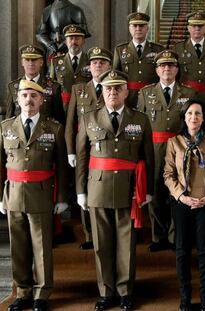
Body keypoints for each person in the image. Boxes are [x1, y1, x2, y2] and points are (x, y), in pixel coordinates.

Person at [75, 69, 154, 311]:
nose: (113, 92)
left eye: (118, 88)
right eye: (109, 88)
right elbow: (81, 157)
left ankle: (125, 291)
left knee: (126, 244)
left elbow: (148, 158)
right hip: (97, 188)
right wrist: (80, 191)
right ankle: (105, 291)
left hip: (128, 189)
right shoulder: (89, 117)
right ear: (103, 91)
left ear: (126, 91)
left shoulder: (140, 119)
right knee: (101, 244)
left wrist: (147, 190)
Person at [0, 80, 68, 311]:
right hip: (14, 194)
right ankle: (23, 292)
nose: (29, 100)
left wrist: (62, 198)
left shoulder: (54, 128)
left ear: (41, 100)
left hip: (42, 194)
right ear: (18, 100)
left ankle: (42, 293)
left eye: (34, 96)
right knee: (18, 246)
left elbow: (62, 167)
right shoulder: (5, 127)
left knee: (42, 247)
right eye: (25, 95)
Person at [164, 99, 205, 311]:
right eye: (189, 113)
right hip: (182, 203)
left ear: (203, 117)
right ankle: (185, 298)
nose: (193, 117)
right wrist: (181, 196)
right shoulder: (174, 142)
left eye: (197, 113)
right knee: (182, 251)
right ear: (184, 117)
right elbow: (168, 174)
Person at [137, 50, 196, 252]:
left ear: (177, 69)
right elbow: (140, 124)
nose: (167, 69)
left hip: (179, 149)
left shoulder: (188, 93)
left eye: (171, 65)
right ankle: (158, 235)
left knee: (177, 192)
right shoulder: (146, 93)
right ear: (157, 70)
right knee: (154, 194)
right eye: (163, 66)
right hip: (153, 149)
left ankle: (175, 235)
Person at [65, 46, 112, 250]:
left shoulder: (115, 88)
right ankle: (89, 235)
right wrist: (70, 150)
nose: (98, 66)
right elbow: (69, 123)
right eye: (94, 63)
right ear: (89, 66)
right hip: (83, 146)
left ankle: (107, 231)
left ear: (109, 66)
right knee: (83, 185)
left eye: (102, 63)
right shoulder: (79, 89)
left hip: (108, 149)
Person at [113, 12, 164, 109]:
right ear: (129, 28)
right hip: (128, 98)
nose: (138, 28)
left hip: (152, 96)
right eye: (135, 25)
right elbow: (116, 77)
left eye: (141, 25)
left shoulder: (158, 50)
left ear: (147, 28)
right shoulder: (120, 50)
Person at [5, 44, 65, 125]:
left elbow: (59, 118)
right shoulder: (13, 87)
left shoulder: (54, 87)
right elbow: (9, 119)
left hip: (45, 133)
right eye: (27, 59)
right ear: (22, 62)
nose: (31, 63)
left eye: (34, 59)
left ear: (41, 62)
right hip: (21, 134)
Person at [50, 24, 91, 111]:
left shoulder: (91, 61)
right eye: (71, 38)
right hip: (63, 109)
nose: (73, 42)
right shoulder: (56, 62)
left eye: (77, 38)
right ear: (65, 41)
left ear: (83, 41)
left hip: (86, 108)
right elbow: (52, 86)